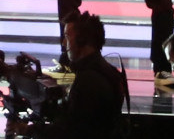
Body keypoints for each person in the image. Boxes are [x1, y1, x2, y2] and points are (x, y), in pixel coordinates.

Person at [48, 10, 126, 139]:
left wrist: (29, 130)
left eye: (67, 37)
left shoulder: (89, 81)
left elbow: (71, 131)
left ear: (82, 40)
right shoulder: (107, 71)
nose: (63, 43)